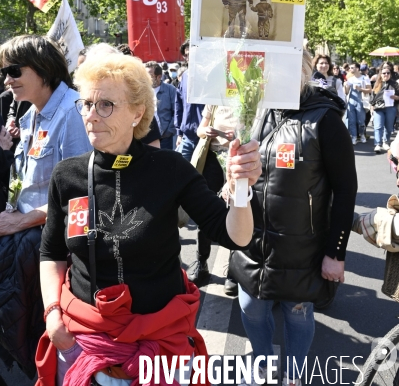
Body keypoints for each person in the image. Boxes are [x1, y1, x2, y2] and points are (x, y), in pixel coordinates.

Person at [37, 52, 261, 386]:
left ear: (137, 112)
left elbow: (235, 236)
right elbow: (52, 252)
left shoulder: (170, 168)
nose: (91, 116)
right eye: (86, 104)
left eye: (106, 105)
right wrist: (52, 313)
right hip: (85, 342)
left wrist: (242, 187)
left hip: (162, 344)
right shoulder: (66, 175)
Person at [228, 51, 357, 386]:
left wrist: (336, 253)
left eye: (283, 65)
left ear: (303, 69)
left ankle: (295, 374)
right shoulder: (254, 112)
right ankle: (262, 363)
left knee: (296, 313)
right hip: (252, 241)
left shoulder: (325, 120)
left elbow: (345, 190)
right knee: (251, 308)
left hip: (302, 248)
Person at [0, 35, 92, 377]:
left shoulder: (74, 113)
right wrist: (12, 210)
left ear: (41, 69)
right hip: (23, 246)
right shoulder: (29, 116)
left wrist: (18, 223)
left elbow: (81, 200)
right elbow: (23, 180)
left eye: (13, 70)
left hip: (55, 255)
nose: (6, 79)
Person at [187, 105, 236, 290]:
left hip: (237, 157)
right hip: (213, 159)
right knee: (206, 210)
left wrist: (239, 136)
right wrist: (205, 131)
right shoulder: (215, 98)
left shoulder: (249, 92)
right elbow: (200, 129)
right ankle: (201, 262)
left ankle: (234, 269)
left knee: (236, 210)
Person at [175, 42, 204, 161]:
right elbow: (179, 105)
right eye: (186, 55)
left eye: (190, 54)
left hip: (205, 137)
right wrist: (179, 133)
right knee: (180, 173)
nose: (188, 58)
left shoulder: (209, 75)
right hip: (187, 136)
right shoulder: (185, 76)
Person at [145, 61, 176, 149]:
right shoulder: (143, 91)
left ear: (159, 77)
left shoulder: (170, 90)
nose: (146, 78)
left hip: (165, 137)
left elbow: (176, 112)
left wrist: (169, 131)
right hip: (147, 137)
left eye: (149, 75)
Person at [370, 66, 399, 153]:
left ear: (390, 74)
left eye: (388, 73)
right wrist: (372, 106)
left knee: (389, 126)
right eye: (384, 73)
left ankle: (386, 142)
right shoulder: (377, 84)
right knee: (378, 126)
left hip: (391, 107)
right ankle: (378, 144)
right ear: (381, 74)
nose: (386, 74)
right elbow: (372, 97)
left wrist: (396, 97)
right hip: (378, 108)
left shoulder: (395, 84)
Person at [344, 62, 371, 145]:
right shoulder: (350, 79)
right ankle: (354, 136)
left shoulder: (364, 78)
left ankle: (362, 135)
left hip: (361, 101)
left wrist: (360, 89)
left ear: (357, 69)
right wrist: (346, 86)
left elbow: (370, 90)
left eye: (352, 67)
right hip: (351, 101)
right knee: (352, 121)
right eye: (350, 68)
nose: (350, 69)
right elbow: (346, 92)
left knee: (361, 121)